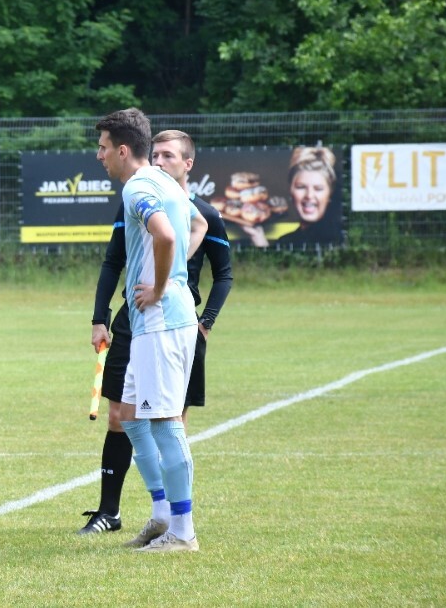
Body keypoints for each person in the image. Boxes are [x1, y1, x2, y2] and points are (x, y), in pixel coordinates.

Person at [79, 128, 218, 537]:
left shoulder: (139, 186)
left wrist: (160, 286)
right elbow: (196, 224)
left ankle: (183, 531)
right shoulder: (164, 181)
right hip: (145, 324)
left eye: (103, 148)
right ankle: (161, 515)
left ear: (122, 150)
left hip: (161, 320)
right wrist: (173, 273)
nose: (99, 155)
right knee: (132, 420)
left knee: (163, 422)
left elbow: (169, 234)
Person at [151, 129, 233, 428]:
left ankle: (174, 475)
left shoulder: (206, 215)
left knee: (175, 418)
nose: (158, 162)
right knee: (133, 414)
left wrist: (206, 323)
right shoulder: (141, 205)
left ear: (188, 164)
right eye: (154, 156)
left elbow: (224, 274)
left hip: (184, 323)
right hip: (143, 319)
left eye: (167, 156)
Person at [242, 146, 341, 247]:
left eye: (318, 189)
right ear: (291, 191)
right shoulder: (286, 242)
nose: (309, 195)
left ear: (330, 194)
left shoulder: (338, 240)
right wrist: (258, 238)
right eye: (301, 187)